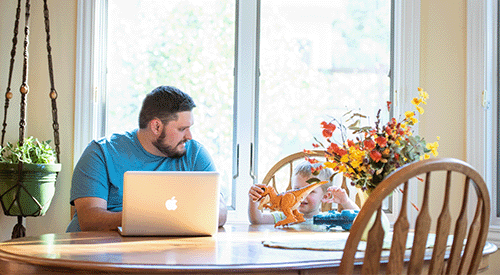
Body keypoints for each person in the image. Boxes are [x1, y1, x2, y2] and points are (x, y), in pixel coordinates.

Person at [66, 86, 227, 232]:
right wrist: (158, 217)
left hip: (163, 253)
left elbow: (220, 210)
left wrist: (168, 218)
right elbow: (90, 220)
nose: (189, 136)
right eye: (182, 129)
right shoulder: (100, 152)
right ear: (156, 126)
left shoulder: (195, 154)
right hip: (97, 253)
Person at [248, 161, 359, 225]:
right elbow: (257, 220)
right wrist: (254, 199)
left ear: (324, 196)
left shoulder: (327, 219)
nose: (301, 197)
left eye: (310, 192)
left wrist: (345, 202)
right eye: (297, 189)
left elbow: (359, 221)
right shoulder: (284, 216)